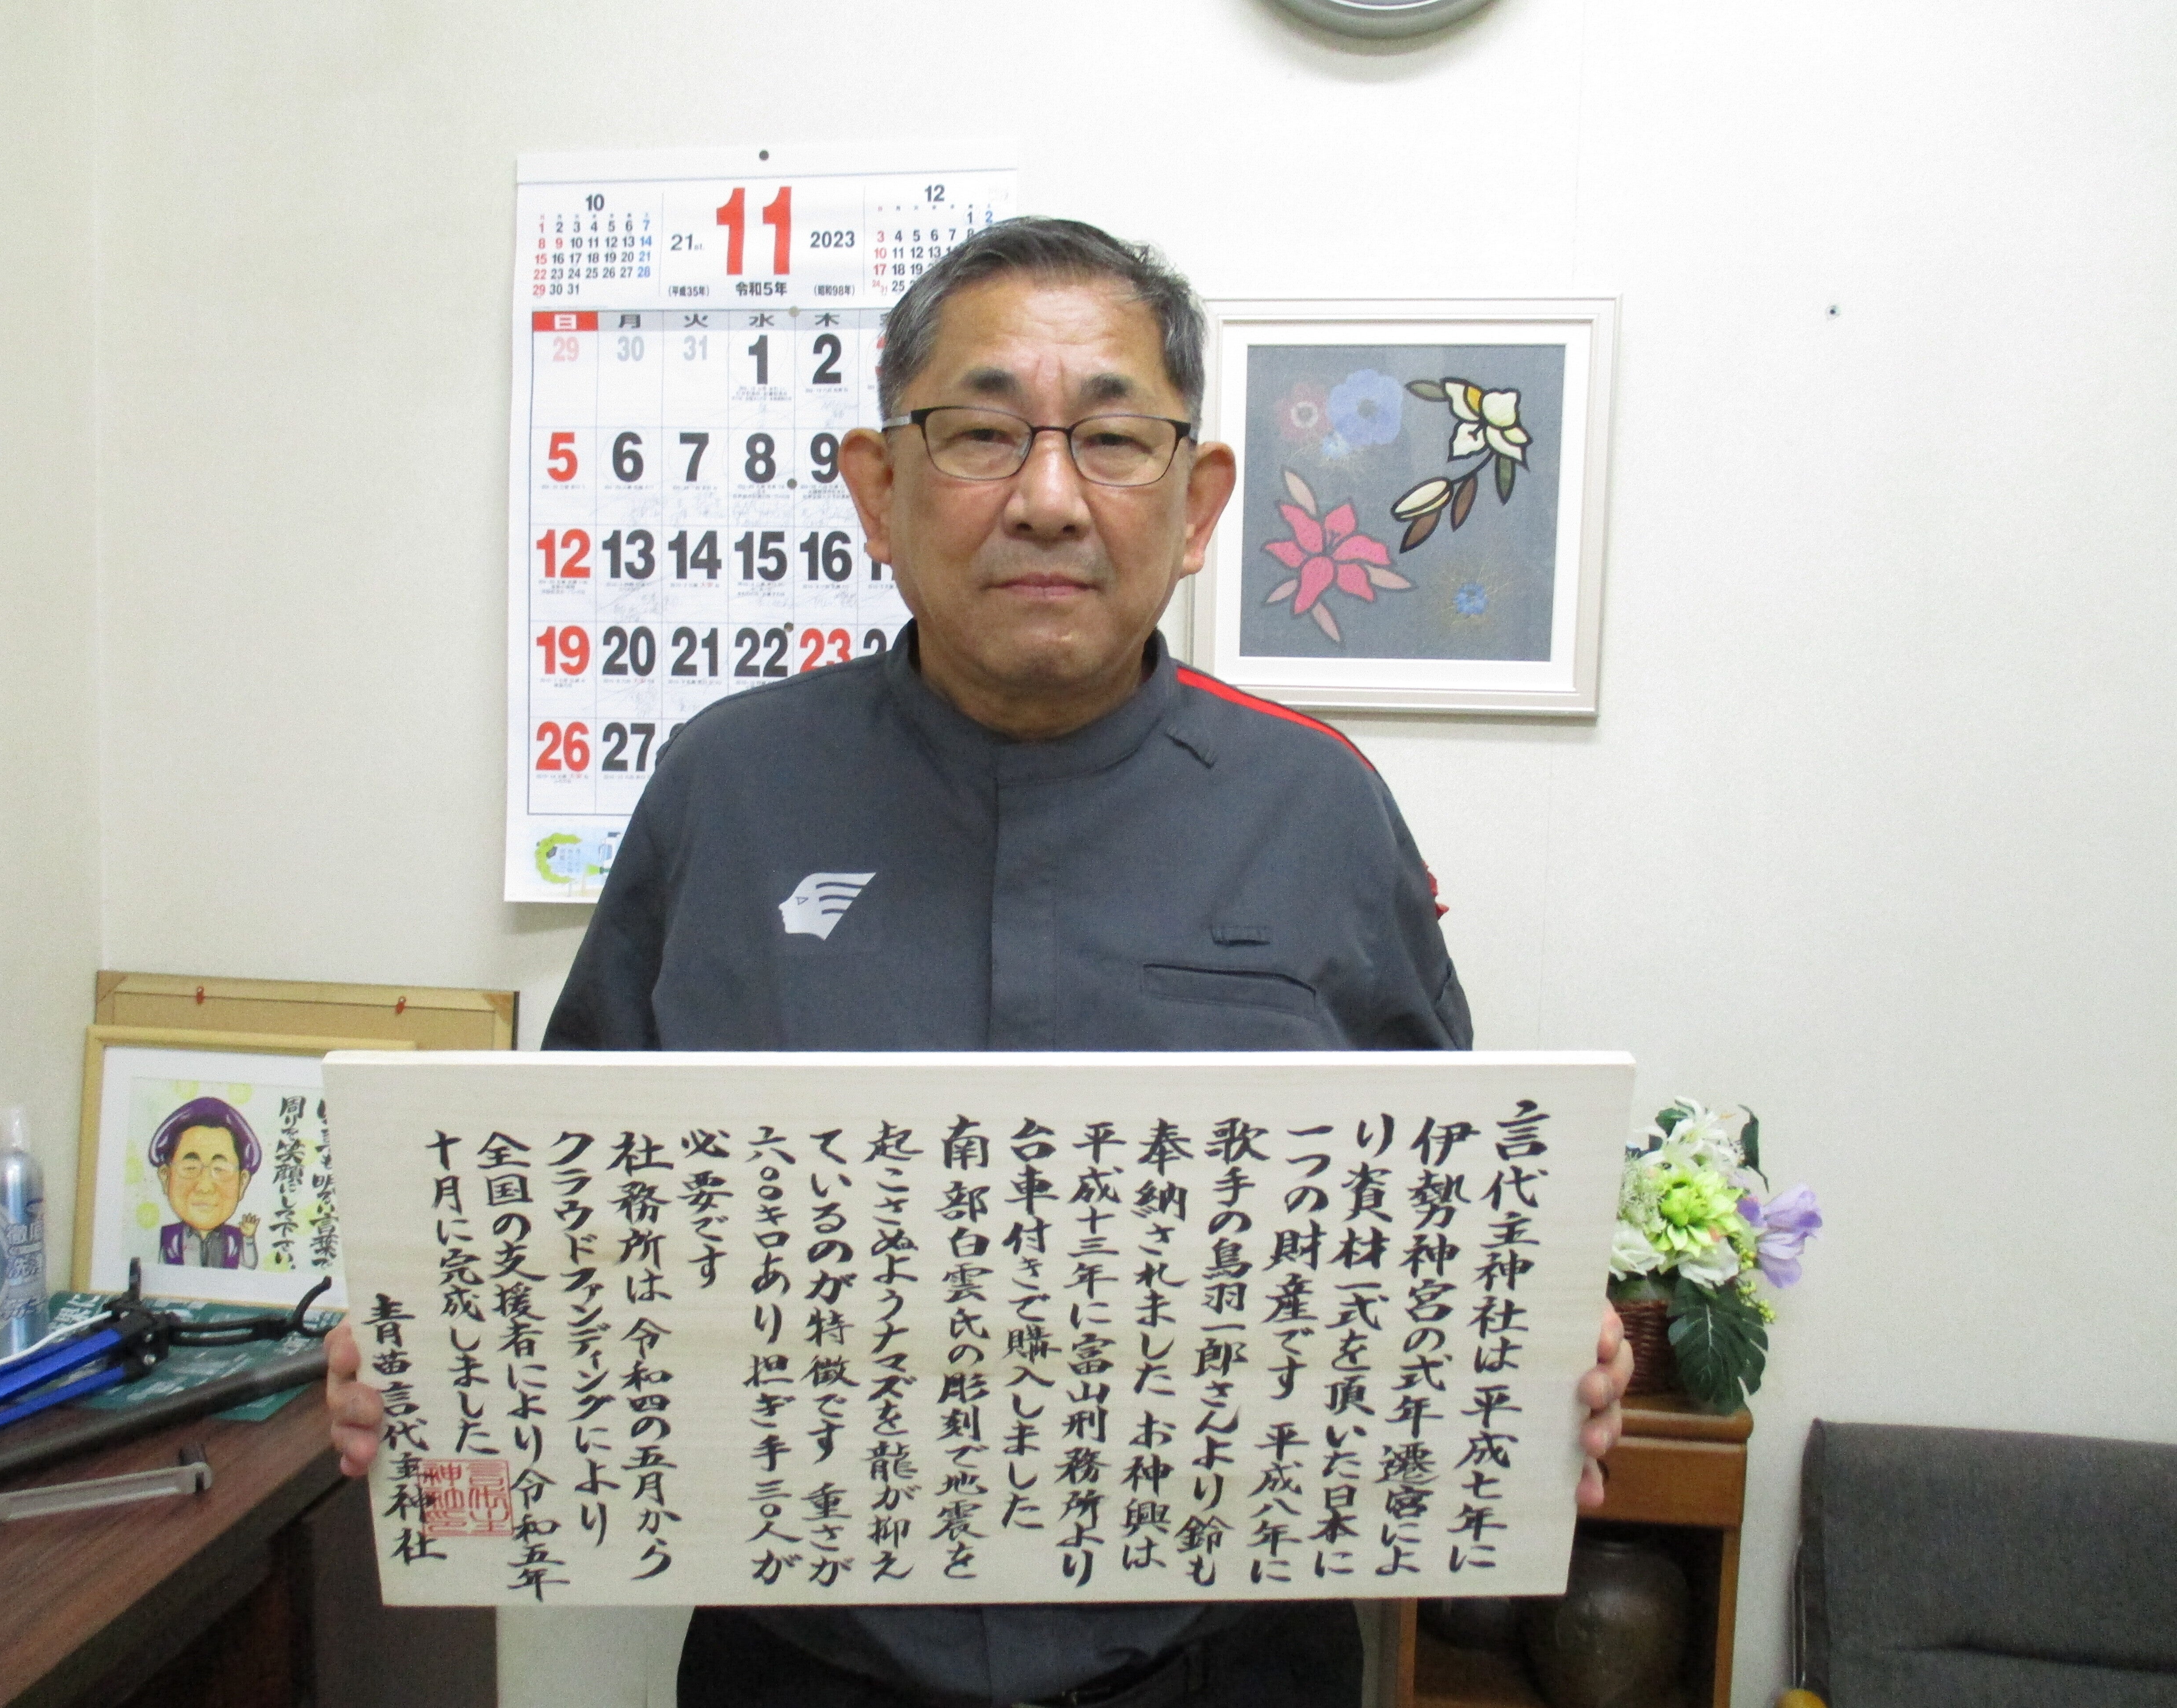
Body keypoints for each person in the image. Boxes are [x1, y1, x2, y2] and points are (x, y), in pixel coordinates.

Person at [327, 217, 1632, 1708]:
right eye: (982, 434)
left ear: (1199, 503)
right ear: (877, 491)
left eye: (1115, 440)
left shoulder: (1318, 808)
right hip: (806, 1671)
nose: (1050, 500)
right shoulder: (726, 790)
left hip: (1227, 1669)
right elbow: (569, 1216)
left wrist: (1549, 1350)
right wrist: (437, 1356)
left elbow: (1440, 1228)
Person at [149, 1095, 261, 1269]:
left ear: (243, 1183)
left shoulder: (235, 1238)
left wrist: (248, 1239)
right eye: (190, 1168)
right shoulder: (168, 1237)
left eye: (220, 1169)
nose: (205, 1187)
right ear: (166, 1177)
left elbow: (251, 1264)